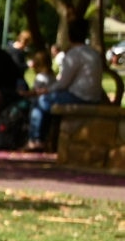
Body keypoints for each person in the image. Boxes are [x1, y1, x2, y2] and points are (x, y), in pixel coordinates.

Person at [25, 18, 108, 152]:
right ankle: (42, 139)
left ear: (70, 36)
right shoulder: (93, 53)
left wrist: (46, 90)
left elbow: (63, 83)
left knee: (41, 101)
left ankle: (36, 140)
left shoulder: (73, 54)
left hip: (79, 96)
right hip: (94, 96)